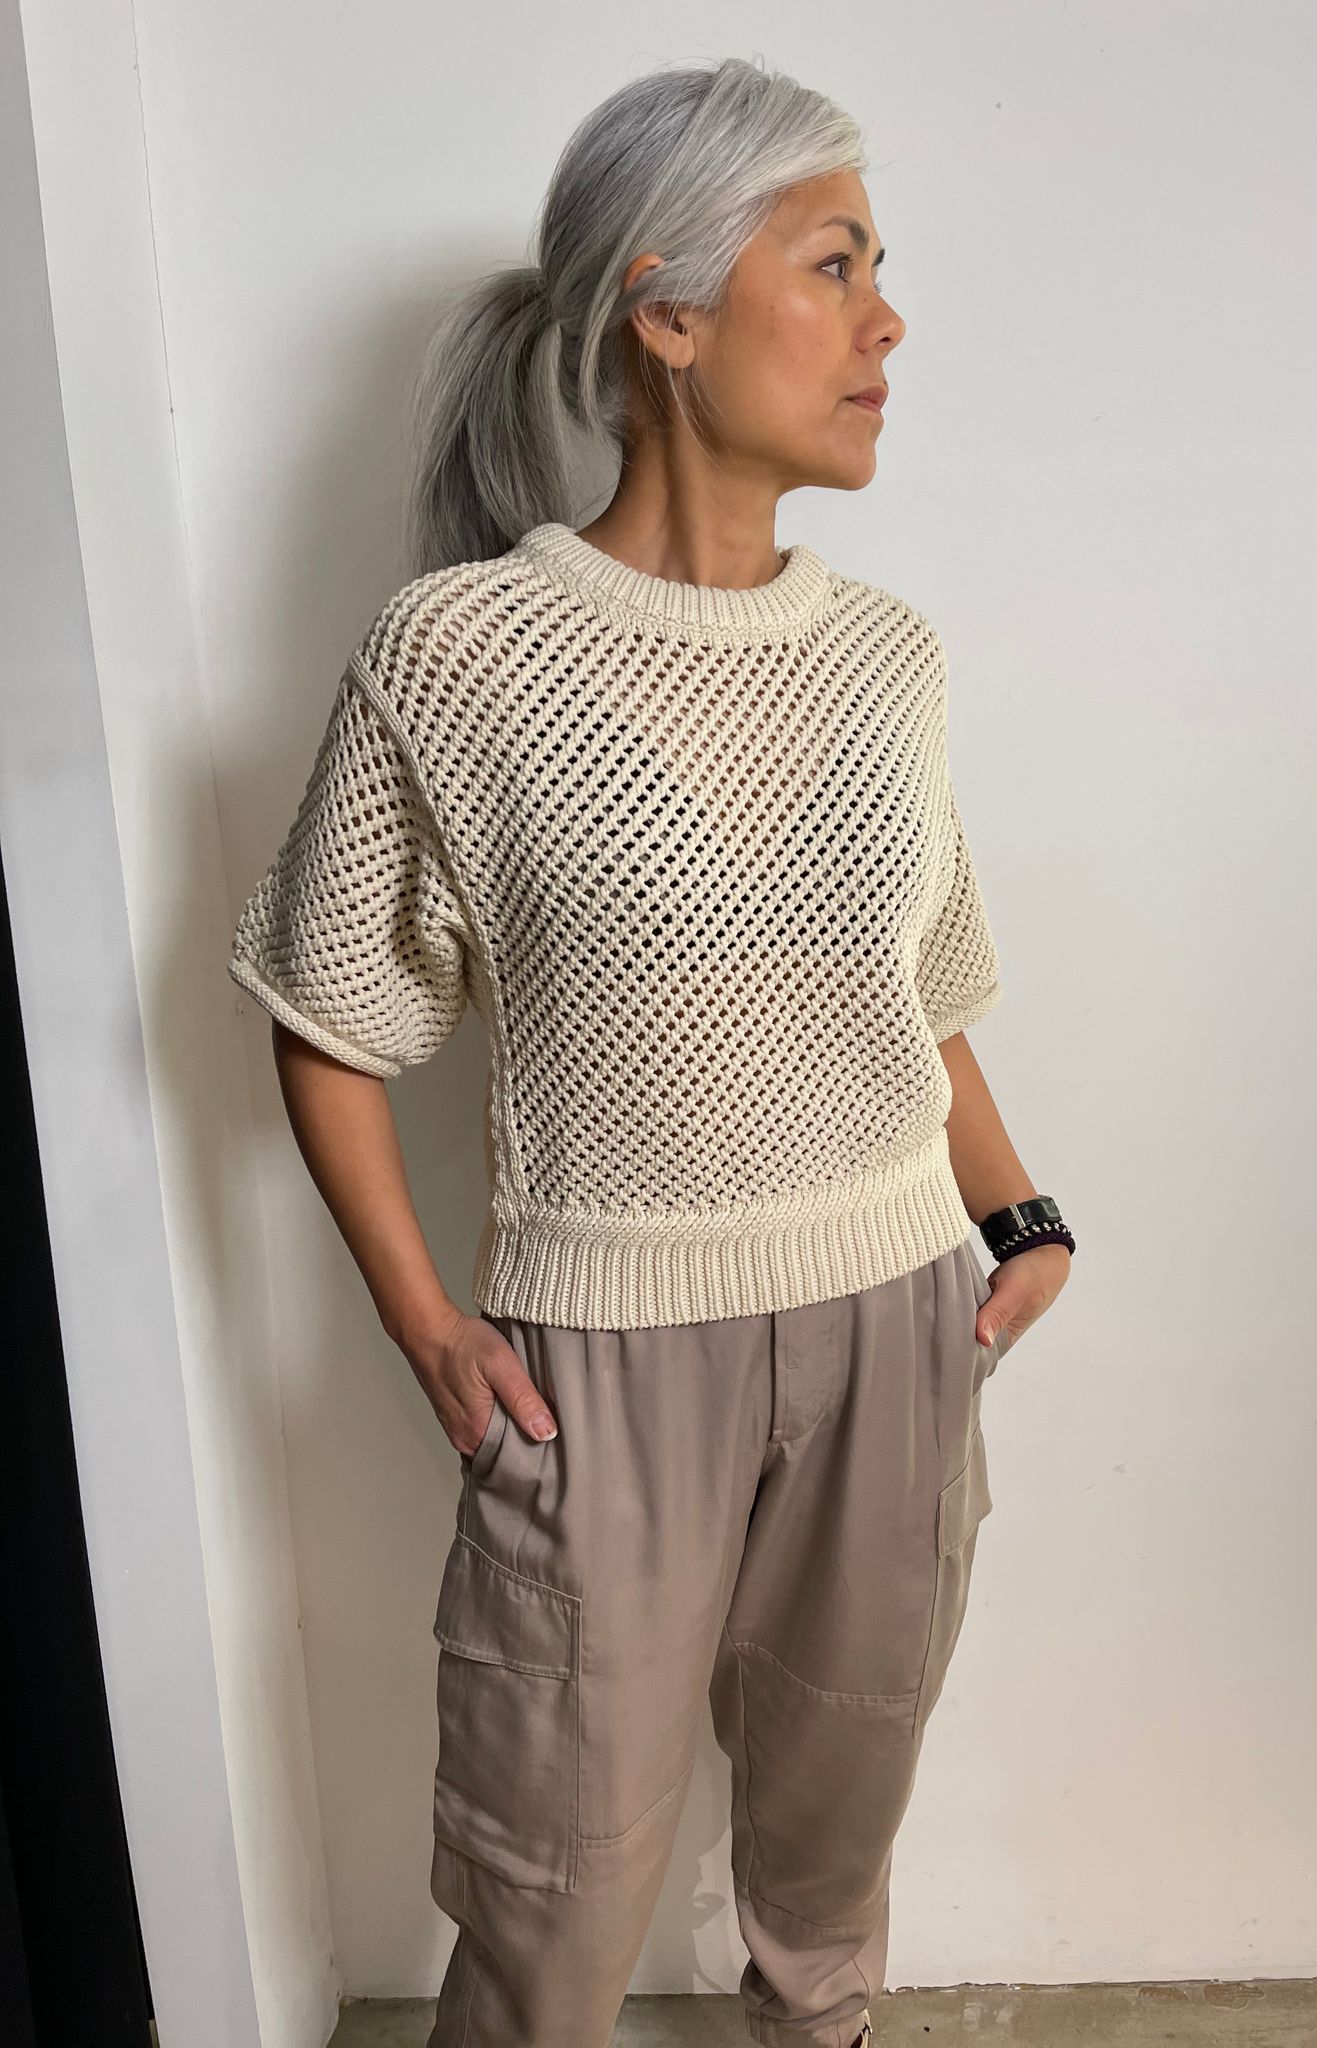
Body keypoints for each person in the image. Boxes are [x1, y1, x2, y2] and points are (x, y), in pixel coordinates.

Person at [226, 52, 1073, 2048]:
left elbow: (918, 993)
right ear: (665, 313)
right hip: (603, 1359)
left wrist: (1023, 1219)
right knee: (553, 1887)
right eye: (836, 263)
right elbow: (329, 1023)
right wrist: (427, 1325)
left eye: (881, 270)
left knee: (835, 1842)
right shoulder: (458, 656)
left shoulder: (890, 663)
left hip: (898, 1320)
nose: (887, 323)